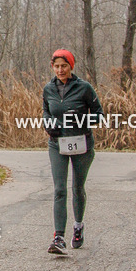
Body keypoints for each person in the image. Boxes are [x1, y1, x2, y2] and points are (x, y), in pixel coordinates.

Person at [42, 49, 103, 255]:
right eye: (56, 66)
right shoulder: (48, 89)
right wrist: (48, 124)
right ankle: (58, 237)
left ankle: (78, 226)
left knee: (77, 187)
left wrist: (80, 120)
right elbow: (45, 111)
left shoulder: (84, 88)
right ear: (53, 67)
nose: (60, 70)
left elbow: (98, 115)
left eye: (64, 66)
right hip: (57, 143)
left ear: (71, 67)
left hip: (81, 143)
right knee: (60, 189)